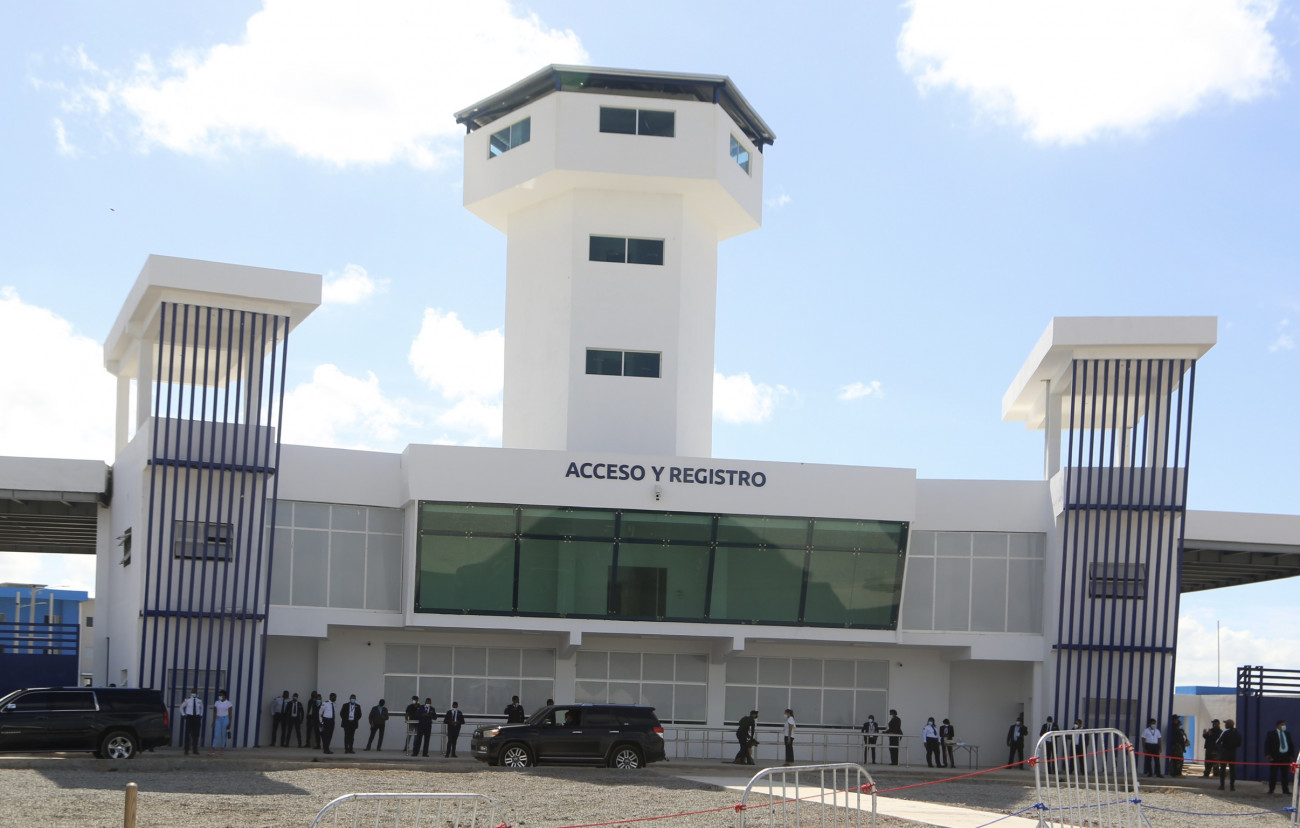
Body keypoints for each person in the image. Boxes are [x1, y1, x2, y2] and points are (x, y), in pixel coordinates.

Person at [1263, 719, 1294, 795]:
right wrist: (1267, 754)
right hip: (1275, 756)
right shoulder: (1271, 734)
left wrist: (1291, 755)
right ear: (1278, 725)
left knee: (1285, 774)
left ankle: (1285, 790)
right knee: (1273, 773)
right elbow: (1267, 744)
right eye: (1282, 724)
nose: (1284, 726)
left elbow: (1291, 744)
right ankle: (1271, 789)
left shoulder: (1287, 734)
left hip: (1285, 756)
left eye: (1285, 725)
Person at [1216, 719, 1241, 791]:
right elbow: (1239, 744)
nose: (1225, 725)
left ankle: (1222, 785)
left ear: (1229, 725)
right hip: (1233, 753)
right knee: (1232, 770)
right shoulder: (1237, 733)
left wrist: (1221, 748)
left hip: (1224, 753)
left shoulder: (1225, 732)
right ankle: (1232, 786)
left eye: (1226, 723)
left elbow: (1218, 742)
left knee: (1222, 770)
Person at [181, 690, 204, 755]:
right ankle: (186, 750)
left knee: (196, 734)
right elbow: (181, 707)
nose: (194, 694)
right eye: (193, 693)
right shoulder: (187, 700)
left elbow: (202, 708)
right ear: (191, 693)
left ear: (197, 694)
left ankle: (195, 749)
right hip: (189, 717)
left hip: (197, 717)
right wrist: (183, 714)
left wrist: (201, 715)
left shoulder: (199, 701)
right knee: (187, 734)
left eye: (195, 693)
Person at [210, 690, 233, 755]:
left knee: (223, 735)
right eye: (219, 695)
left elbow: (230, 714)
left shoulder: (229, 703)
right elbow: (215, 713)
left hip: (225, 719)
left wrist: (230, 723)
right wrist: (213, 721)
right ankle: (213, 749)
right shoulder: (217, 702)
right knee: (216, 734)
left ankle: (222, 748)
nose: (219, 696)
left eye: (221, 695)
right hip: (218, 719)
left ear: (224, 696)